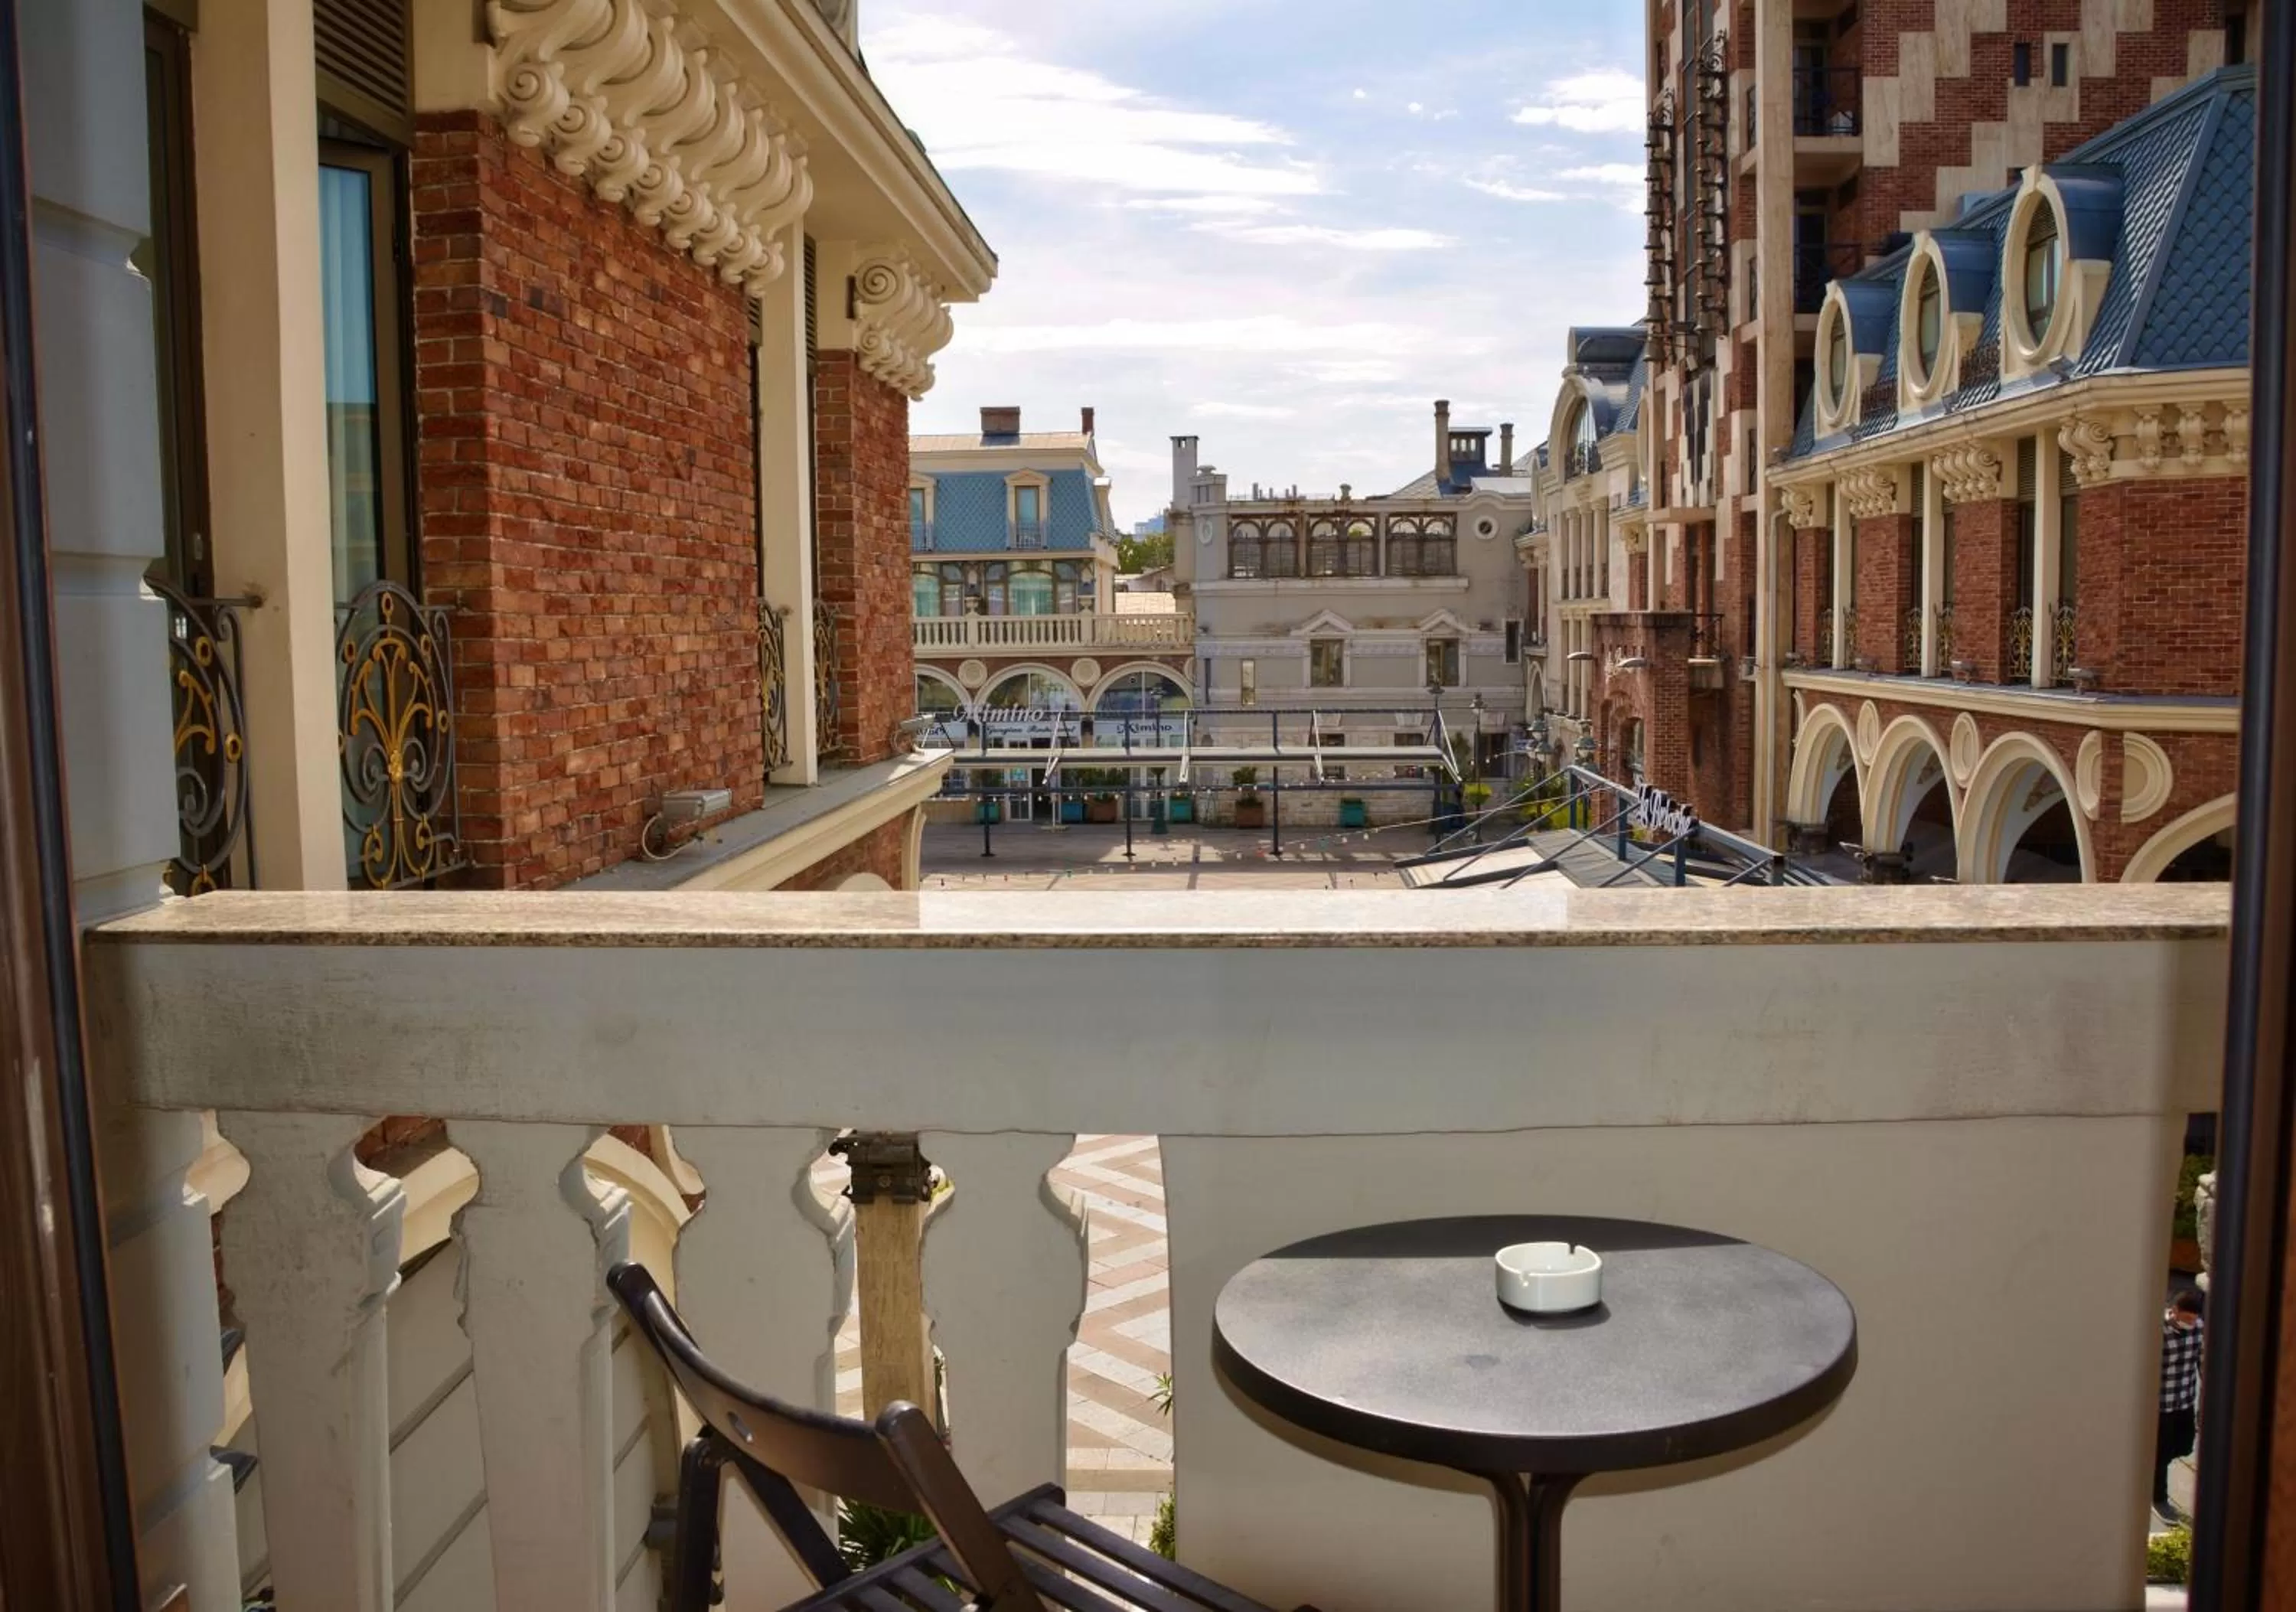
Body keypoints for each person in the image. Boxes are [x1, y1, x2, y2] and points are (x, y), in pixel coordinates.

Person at [2154, 1288, 2206, 1524]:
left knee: (2184, 1446)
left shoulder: (2199, 1329)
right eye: (2186, 1319)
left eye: (2194, 1319)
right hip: (2161, 1405)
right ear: (2174, 1312)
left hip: (2184, 1400)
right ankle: (2158, 1497)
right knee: (2162, 1453)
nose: (2191, 1324)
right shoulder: (2158, 1332)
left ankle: (2152, 1467)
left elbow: (2202, 1361)